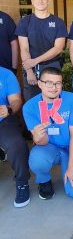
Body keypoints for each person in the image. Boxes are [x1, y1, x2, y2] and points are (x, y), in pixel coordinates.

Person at [22, 67, 73, 200]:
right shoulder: (30, 107)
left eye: (58, 83)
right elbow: (43, 141)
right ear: (40, 83)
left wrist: (72, 166)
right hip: (50, 147)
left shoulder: (72, 100)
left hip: (72, 146)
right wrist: (37, 138)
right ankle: (44, 180)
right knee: (37, 159)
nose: (54, 87)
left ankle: (70, 164)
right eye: (49, 83)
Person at [15, 0, 68, 101]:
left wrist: (35, 61)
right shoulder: (25, 22)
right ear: (32, 2)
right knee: (32, 101)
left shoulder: (58, 22)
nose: (40, 0)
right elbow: (24, 48)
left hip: (52, 66)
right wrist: (29, 70)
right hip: (31, 68)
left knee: (53, 101)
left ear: (48, 0)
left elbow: (58, 48)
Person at [0, 66, 30, 207]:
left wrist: (9, 109)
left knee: (16, 145)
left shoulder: (6, 75)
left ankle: (22, 182)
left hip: (4, 120)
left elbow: (16, 101)